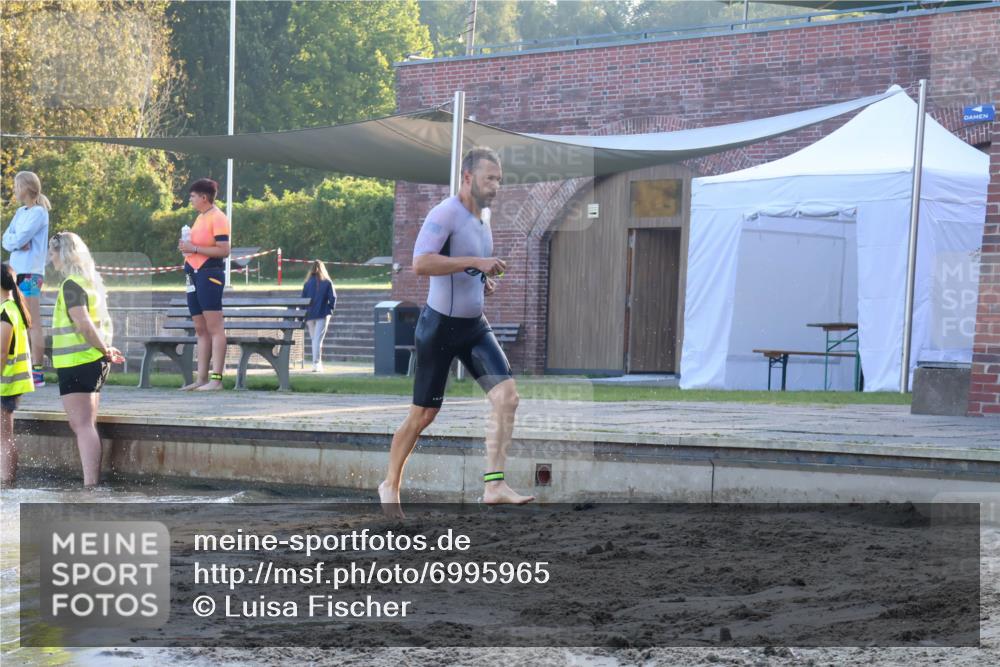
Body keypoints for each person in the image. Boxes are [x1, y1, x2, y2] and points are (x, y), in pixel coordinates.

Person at [379, 147, 533, 512]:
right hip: (440, 328)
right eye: (489, 178)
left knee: (507, 397)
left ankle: (494, 486)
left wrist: (481, 278)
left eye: (498, 179)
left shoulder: (483, 218)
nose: (495, 185)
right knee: (423, 415)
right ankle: (390, 485)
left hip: (475, 327)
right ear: (467, 178)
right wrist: (476, 262)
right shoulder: (445, 213)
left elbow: (463, 268)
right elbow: (421, 263)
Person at [47, 232, 124, 487]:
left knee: (82, 425)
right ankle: (90, 483)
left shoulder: (72, 284)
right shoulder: (91, 283)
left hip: (79, 361)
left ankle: (90, 485)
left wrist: (104, 350)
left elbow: (84, 324)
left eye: (53, 251)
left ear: (65, 254)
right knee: (84, 423)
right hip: (89, 359)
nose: (51, 257)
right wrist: (105, 350)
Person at [177, 178, 230, 391]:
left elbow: (224, 250)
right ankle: (201, 379)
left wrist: (196, 249)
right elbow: (195, 246)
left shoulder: (218, 217)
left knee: (214, 327)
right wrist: (187, 248)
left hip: (210, 273)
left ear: (204, 197)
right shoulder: (200, 217)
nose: (190, 199)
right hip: (193, 274)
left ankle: (216, 379)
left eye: (192, 196)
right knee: (200, 327)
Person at [2, 171, 50, 387]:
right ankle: (19, 366)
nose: (14, 188)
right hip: (14, 271)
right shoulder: (20, 212)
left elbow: (21, 237)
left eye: (17, 185)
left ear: (27, 187)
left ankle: (38, 371)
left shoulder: (39, 213)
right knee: (15, 320)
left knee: (32, 323)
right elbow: (6, 238)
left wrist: (17, 241)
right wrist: (15, 242)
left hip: (30, 273)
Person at [1, 263, 35, 485]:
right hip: (13, 382)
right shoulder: (15, 308)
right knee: (4, 436)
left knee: (3, 438)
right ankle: (7, 481)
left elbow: (2, 351)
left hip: (5, 382)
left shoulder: (6, 311)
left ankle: (5, 483)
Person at [301, 260, 337, 372]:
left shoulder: (307, 284)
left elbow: (302, 300)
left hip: (309, 315)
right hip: (322, 313)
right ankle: (316, 363)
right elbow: (333, 298)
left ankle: (317, 362)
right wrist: (330, 309)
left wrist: (303, 313)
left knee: (314, 339)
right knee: (317, 340)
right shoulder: (327, 282)